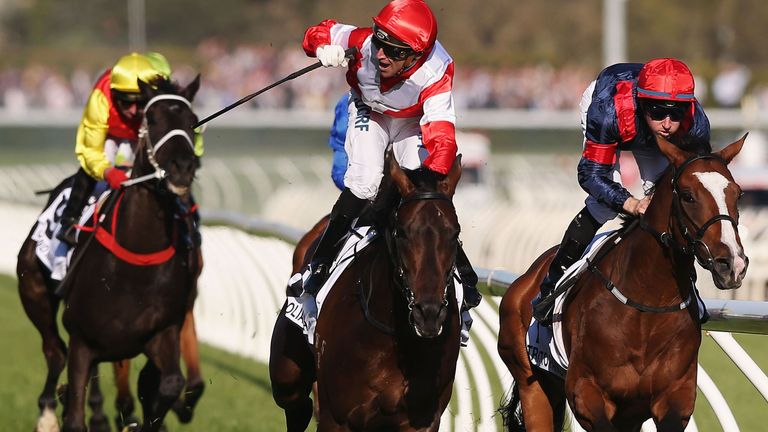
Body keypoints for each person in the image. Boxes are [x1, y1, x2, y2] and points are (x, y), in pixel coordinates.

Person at [299, 0, 481, 310]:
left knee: (418, 184)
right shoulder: (362, 42)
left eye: (395, 51)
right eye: (381, 43)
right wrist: (320, 47)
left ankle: (458, 271)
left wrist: (432, 181)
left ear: (416, 55)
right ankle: (319, 264)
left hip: (411, 120)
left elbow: (441, 136)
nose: (381, 54)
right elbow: (318, 32)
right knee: (364, 182)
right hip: (368, 111)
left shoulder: (437, 70)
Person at [532, 58, 712, 326]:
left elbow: (699, 182)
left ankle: (689, 287)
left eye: (675, 113)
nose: (666, 123)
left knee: (670, 201)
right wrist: (630, 203)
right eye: (658, 111)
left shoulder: (695, 125)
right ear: (642, 104)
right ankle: (551, 287)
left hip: (636, 119)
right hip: (612, 107)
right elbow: (591, 175)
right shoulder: (609, 111)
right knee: (603, 205)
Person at [56, 52, 202, 247]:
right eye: (125, 101)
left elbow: (189, 135)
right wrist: (108, 172)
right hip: (111, 138)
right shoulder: (101, 97)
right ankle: (70, 219)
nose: (134, 110)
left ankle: (190, 224)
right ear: (115, 94)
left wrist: (193, 157)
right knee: (100, 159)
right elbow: (89, 150)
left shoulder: (164, 96)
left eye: (140, 102)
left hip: (144, 137)